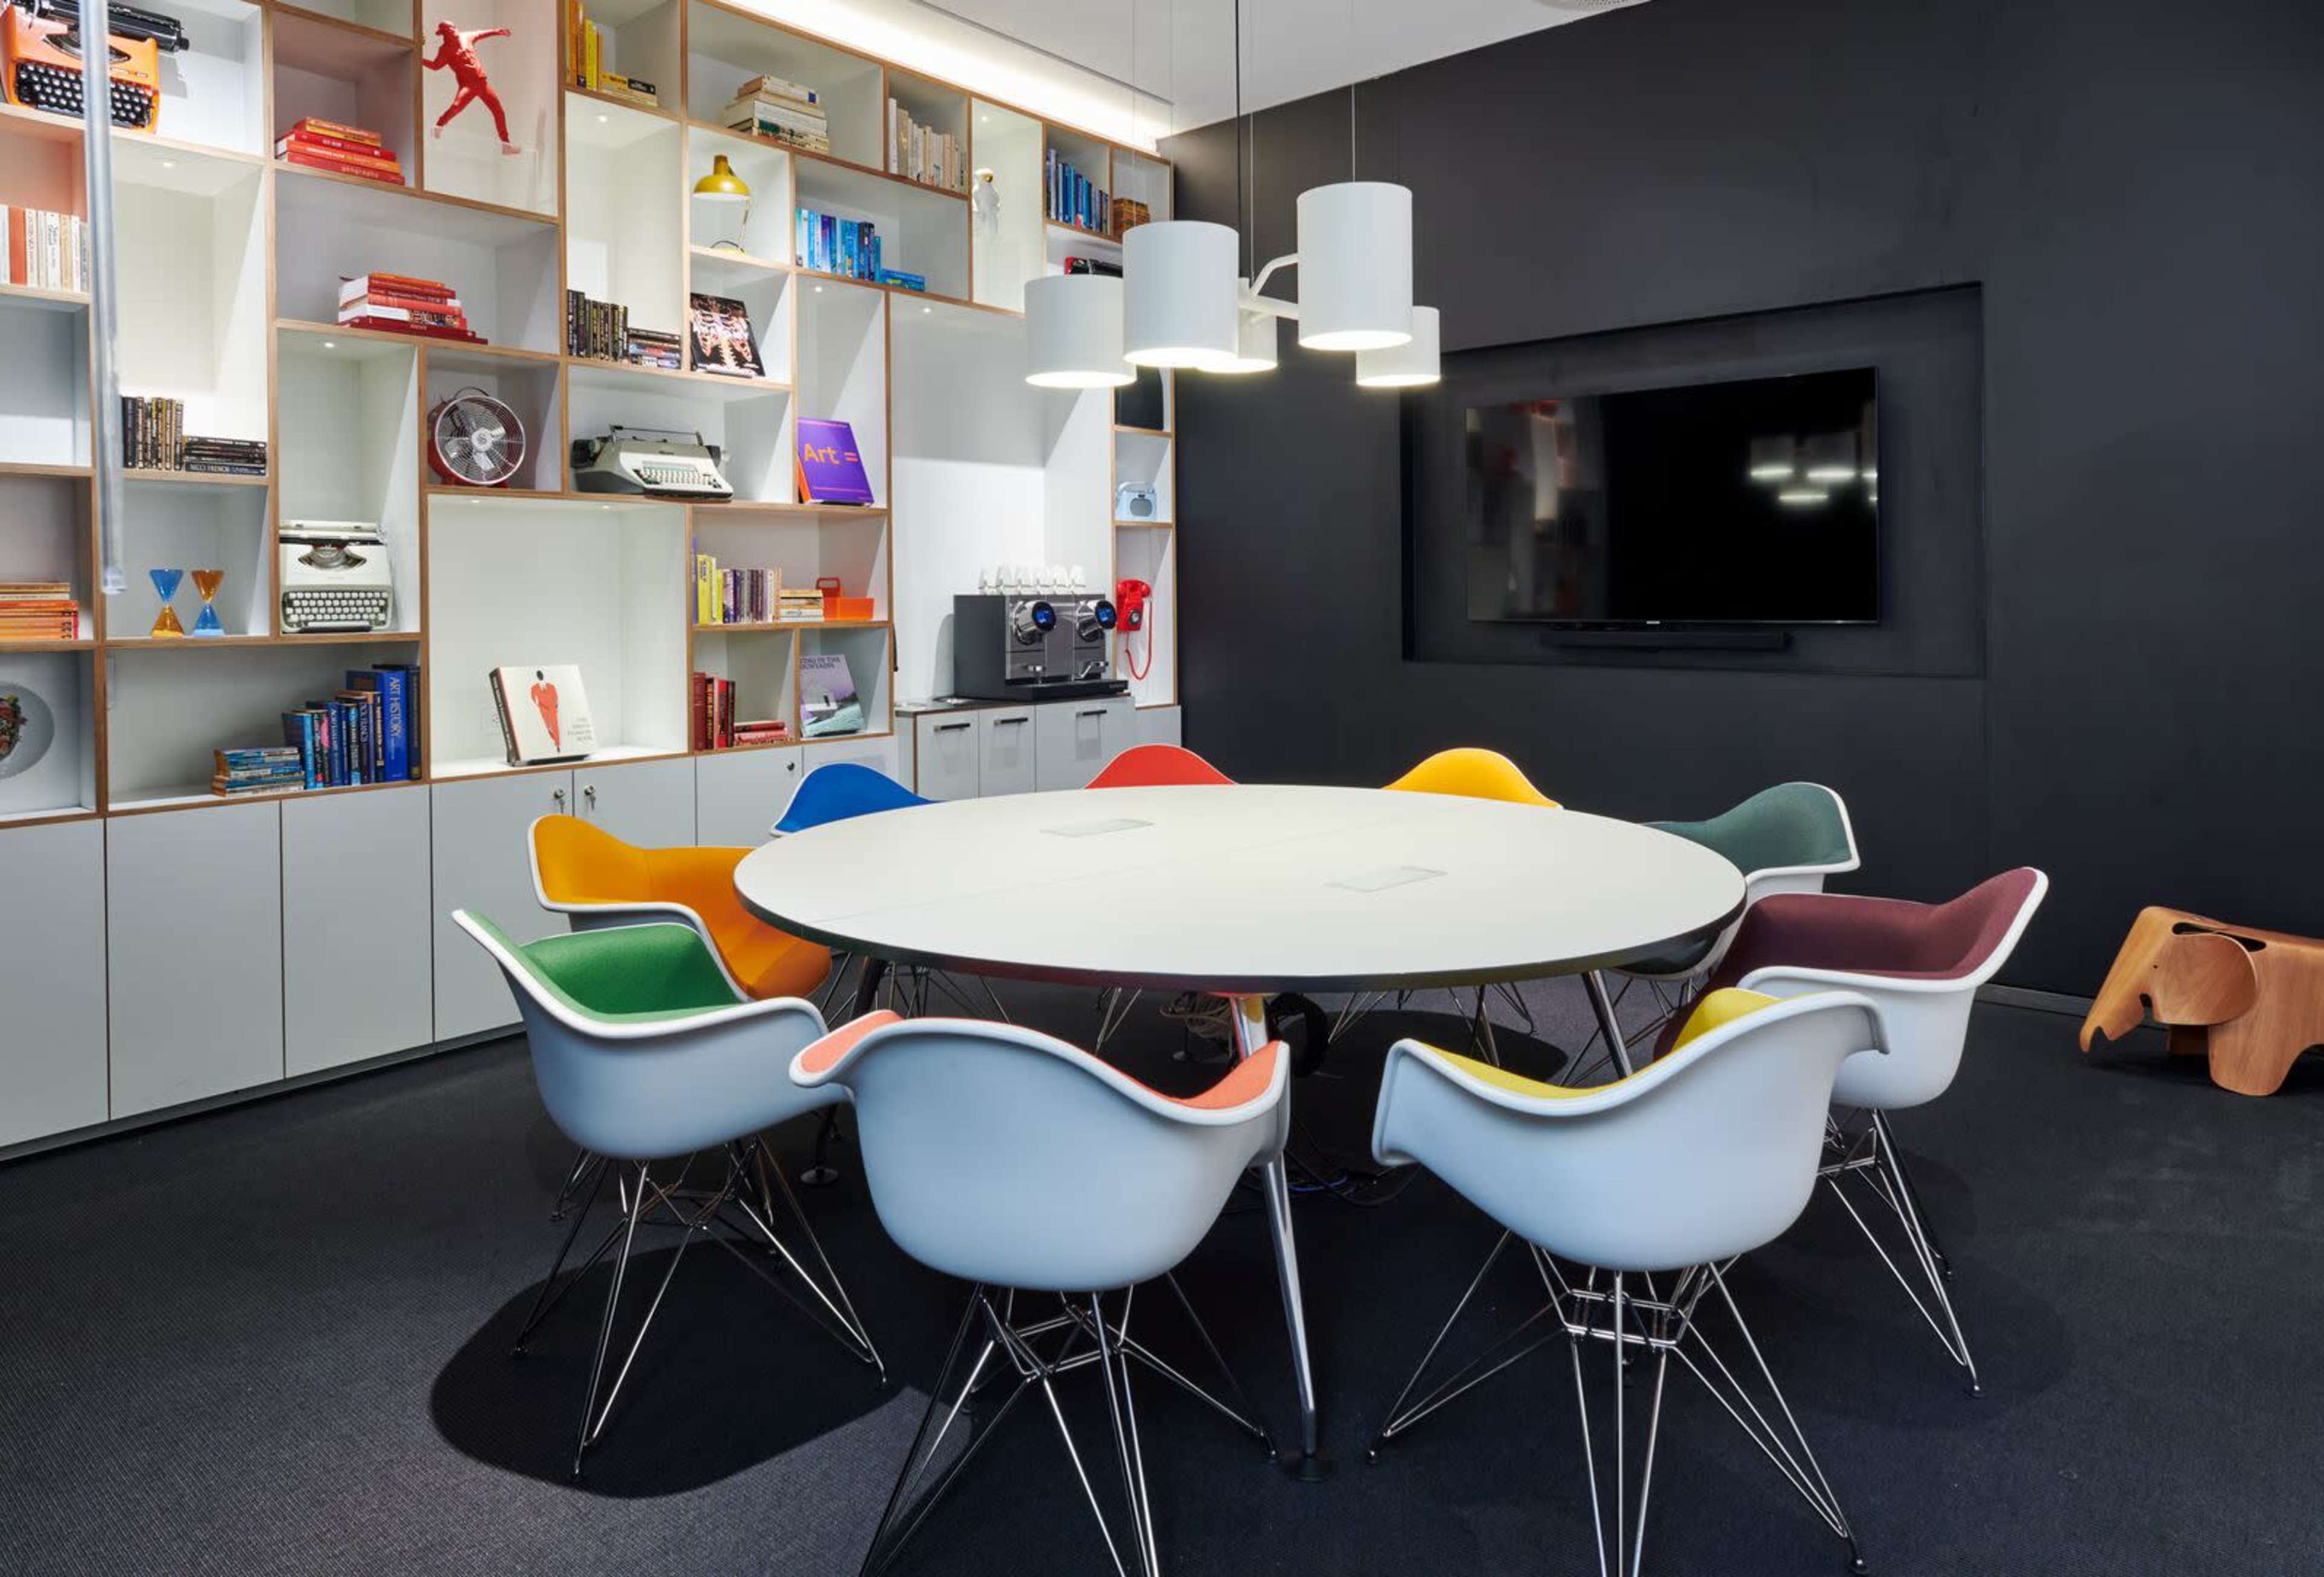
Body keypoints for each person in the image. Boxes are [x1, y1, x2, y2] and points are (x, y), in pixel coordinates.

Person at [425, 22, 519, 154]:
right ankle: (439, 126)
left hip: (482, 83)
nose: (453, 31)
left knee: (498, 111)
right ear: (445, 34)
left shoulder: (466, 37)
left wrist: (496, 31)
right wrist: (420, 59)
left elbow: (481, 33)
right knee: (457, 106)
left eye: (453, 28)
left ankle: (506, 145)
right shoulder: (445, 50)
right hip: (468, 85)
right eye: (448, 30)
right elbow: (436, 66)